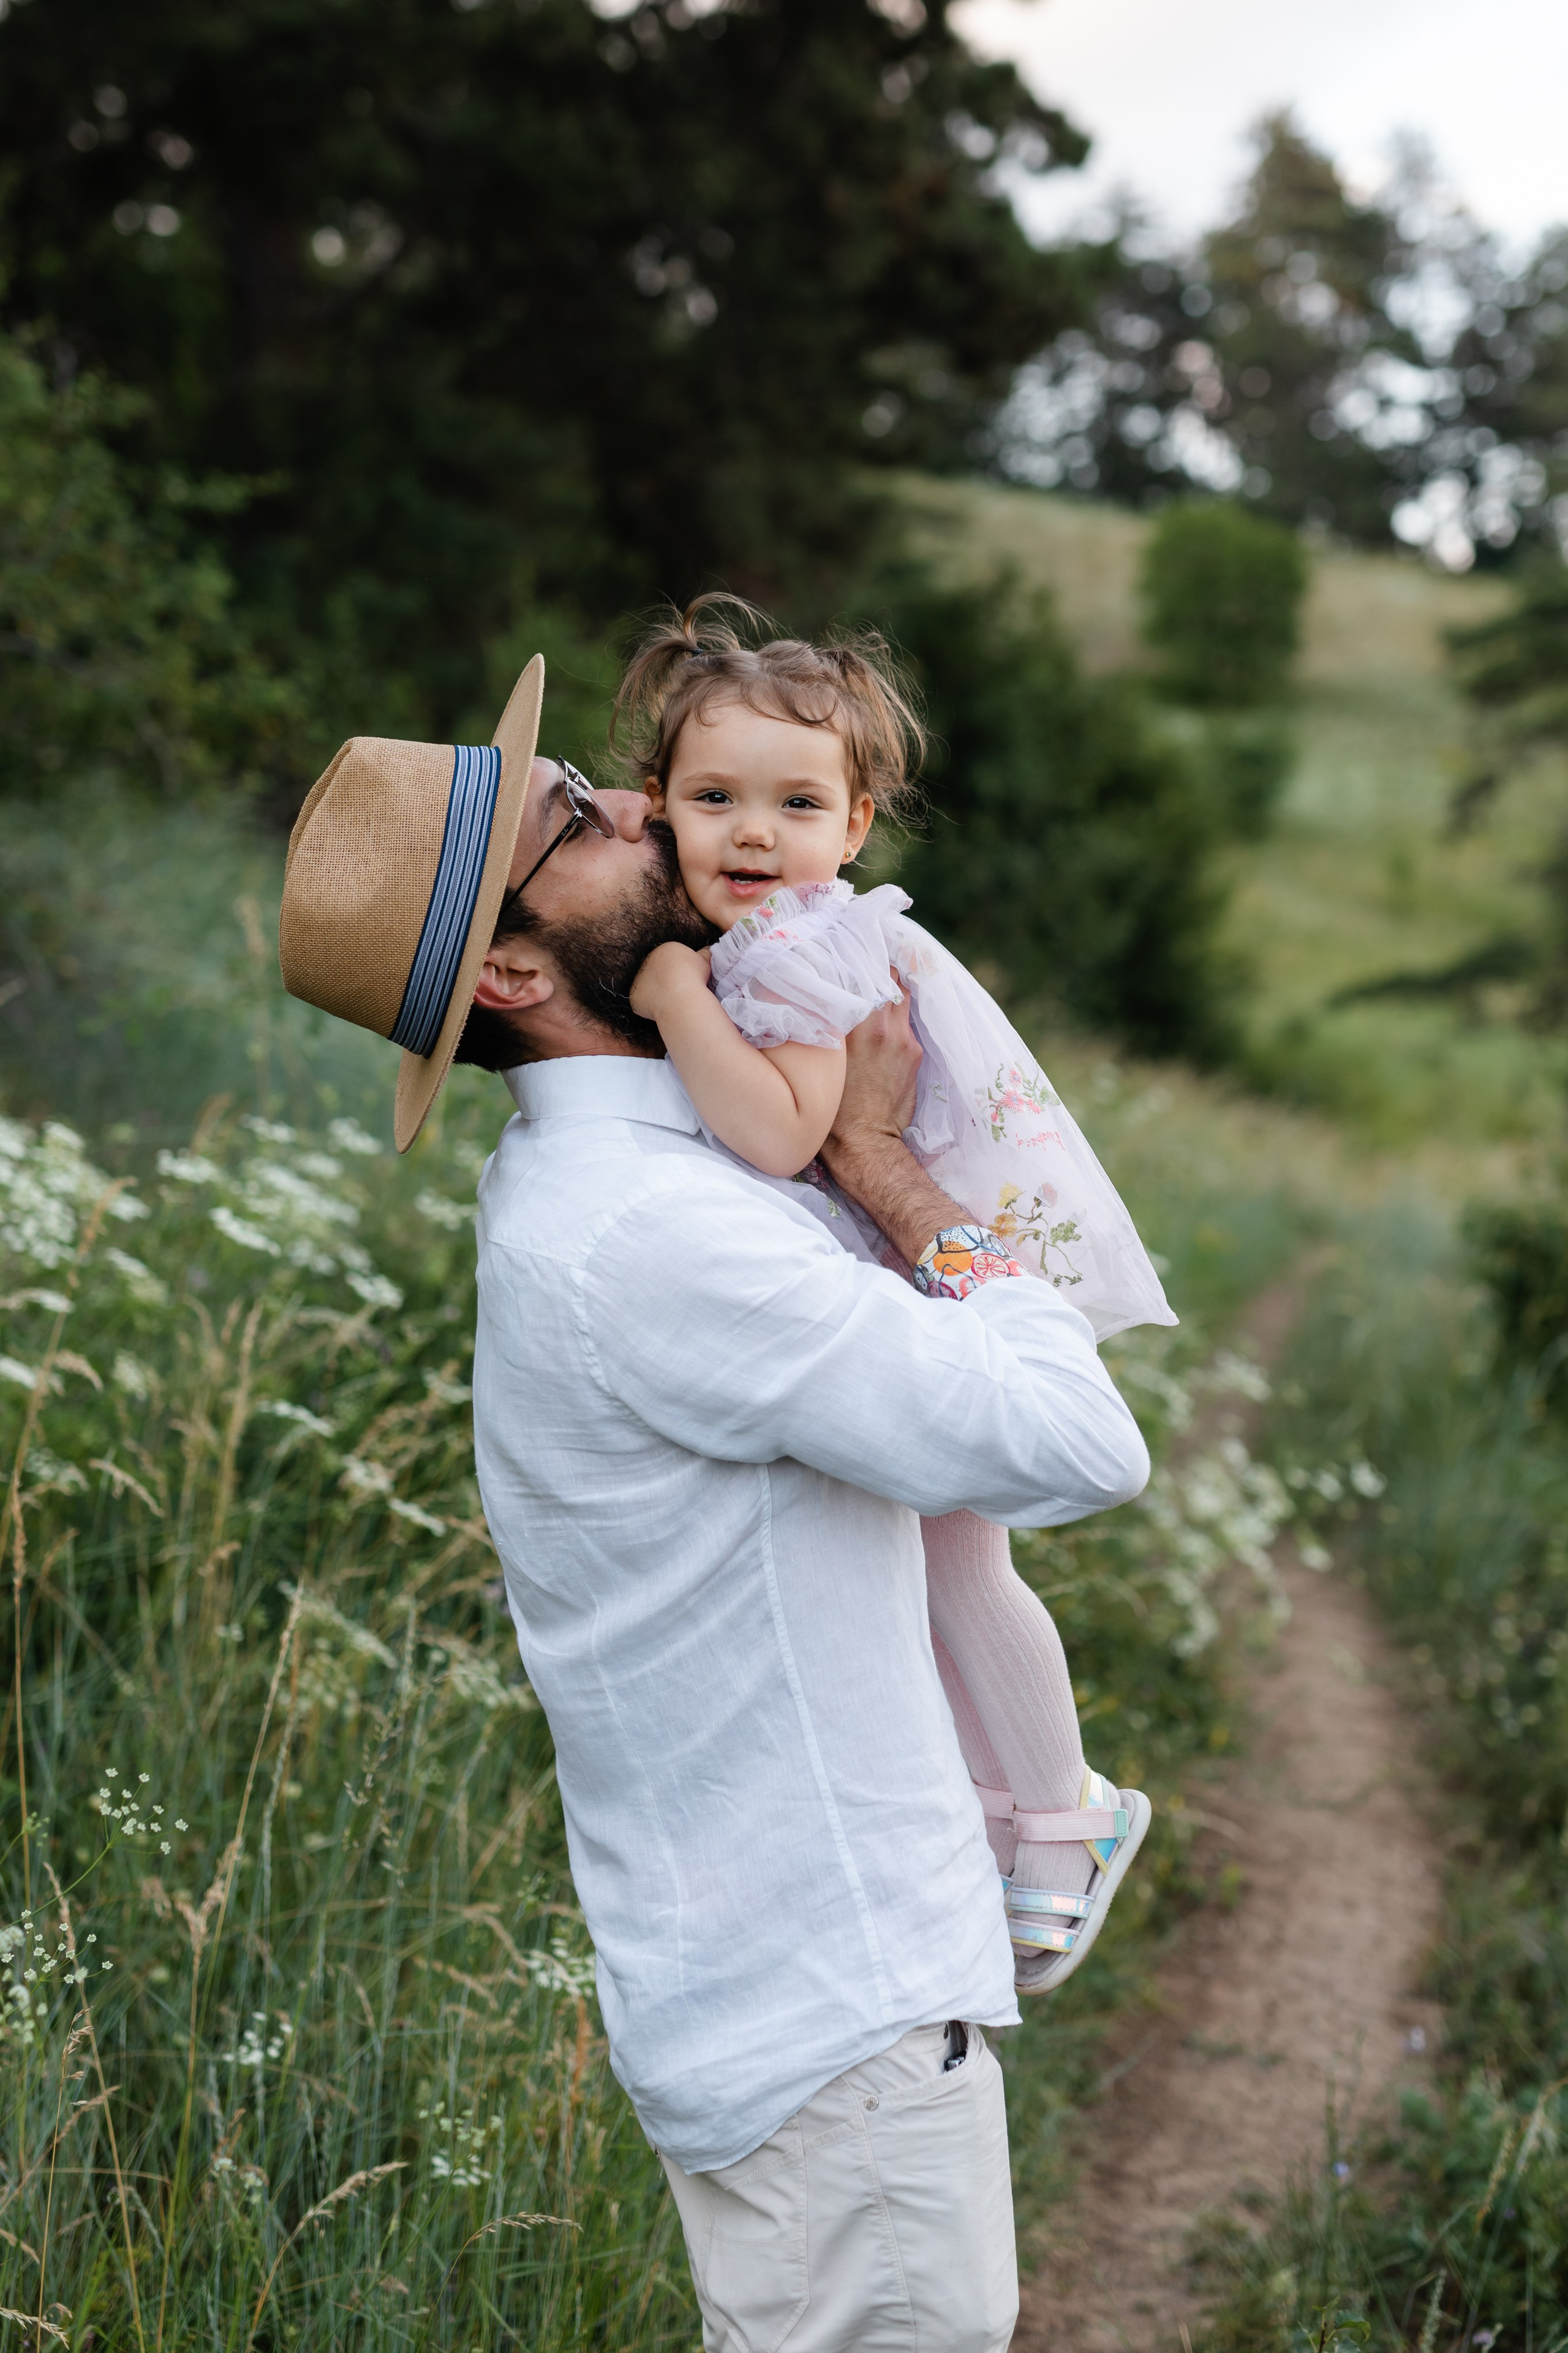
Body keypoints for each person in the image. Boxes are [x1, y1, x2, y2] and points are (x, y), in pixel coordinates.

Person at [278, 653, 1152, 2353]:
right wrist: (891, 1172)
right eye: (572, 820)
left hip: (785, 1994)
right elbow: (1079, 1443)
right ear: (520, 966)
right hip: (835, 2012)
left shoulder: (632, 1179)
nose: (627, 799)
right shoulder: (659, 1232)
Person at [617, 595, 1170, 1992]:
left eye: (796, 802)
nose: (754, 832)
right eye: (714, 797)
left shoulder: (810, 950)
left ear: (856, 826)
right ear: (658, 806)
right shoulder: (731, 932)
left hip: (913, 1266)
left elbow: (782, 1133)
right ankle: (1002, 1810)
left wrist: (675, 993)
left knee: (961, 1557)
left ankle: (1064, 1816)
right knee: (915, 1567)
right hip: (864, 1272)